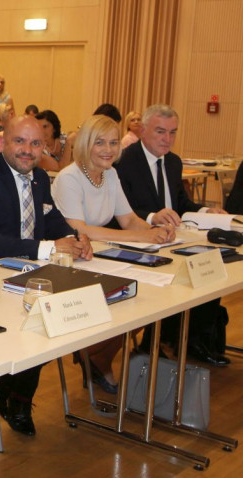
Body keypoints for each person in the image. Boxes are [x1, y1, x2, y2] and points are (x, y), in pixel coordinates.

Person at [0, 115, 93, 437]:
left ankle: (18, 398)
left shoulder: (39, 178)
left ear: (44, 148)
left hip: (19, 278)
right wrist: (48, 247)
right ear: (2, 143)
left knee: (52, 320)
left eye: (36, 143)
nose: (27, 150)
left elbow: (52, 219)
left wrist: (75, 237)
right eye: (19, 141)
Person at [52, 114, 176, 390]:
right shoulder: (69, 178)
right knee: (129, 299)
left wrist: (156, 232)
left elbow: (128, 219)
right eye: (100, 142)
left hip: (98, 258)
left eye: (113, 142)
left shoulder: (110, 174)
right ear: (85, 144)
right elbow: (81, 230)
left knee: (146, 299)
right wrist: (141, 235)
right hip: (70, 261)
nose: (108, 149)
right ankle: (96, 356)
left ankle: (96, 356)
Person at [114, 104, 230, 366]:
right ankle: (156, 342)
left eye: (173, 132)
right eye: (160, 132)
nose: (167, 139)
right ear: (143, 130)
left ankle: (192, 339)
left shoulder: (173, 162)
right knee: (178, 279)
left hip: (172, 239)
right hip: (139, 241)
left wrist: (206, 210)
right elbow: (120, 210)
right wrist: (152, 217)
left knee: (212, 270)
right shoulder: (125, 161)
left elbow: (181, 204)